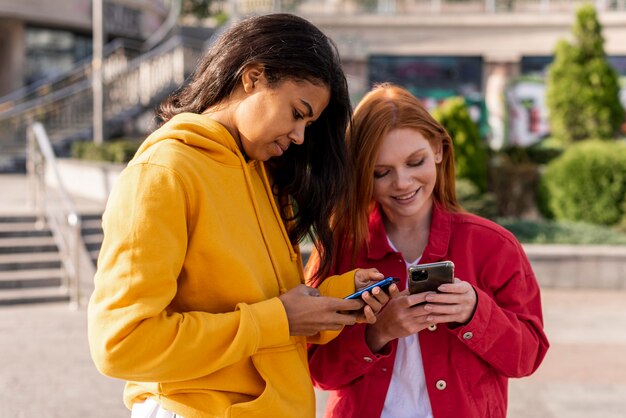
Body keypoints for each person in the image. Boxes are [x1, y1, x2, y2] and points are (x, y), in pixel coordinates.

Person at [87, 14, 388, 418]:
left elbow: (267, 306)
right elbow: (121, 343)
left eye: (309, 124)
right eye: (297, 113)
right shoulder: (164, 173)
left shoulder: (263, 174)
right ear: (252, 78)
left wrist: (340, 297)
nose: (300, 136)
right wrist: (277, 319)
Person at [306, 84, 549, 418]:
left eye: (414, 161)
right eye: (381, 172)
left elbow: (527, 358)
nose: (402, 182)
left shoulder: (494, 246)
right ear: (360, 173)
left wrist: (475, 312)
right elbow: (317, 371)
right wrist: (378, 333)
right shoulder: (340, 246)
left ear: (437, 148)